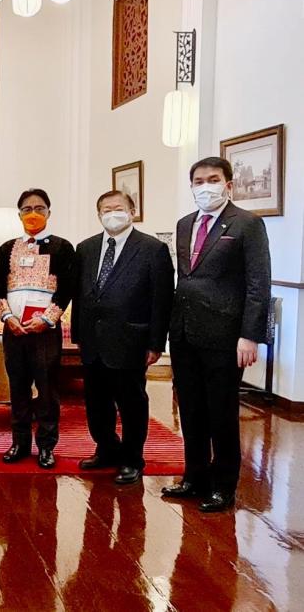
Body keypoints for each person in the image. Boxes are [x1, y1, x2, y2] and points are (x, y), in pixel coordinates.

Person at [162, 157, 271, 512]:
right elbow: (187, 277)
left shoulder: (247, 224)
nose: (205, 186)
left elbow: (258, 284)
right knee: (190, 410)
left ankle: (223, 486)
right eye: (198, 181)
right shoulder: (184, 224)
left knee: (221, 413)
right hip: (184, 333)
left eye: (213, 179)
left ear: (228, 185)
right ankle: (194, 477)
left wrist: (250, 335)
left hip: (225, 336)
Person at [71, 191, 174, 484]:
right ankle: (106, 449)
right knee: (96, 402)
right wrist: (78, 333)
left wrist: (156, 343)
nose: (112, 214)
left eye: (118, 208)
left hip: (130, 340)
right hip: (92, 340)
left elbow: (162, 299)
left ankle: (132, 459)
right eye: (106, 209)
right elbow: (80, 294)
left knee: (131, 404)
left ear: (132, 211)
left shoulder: (152, 249)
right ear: (99, 215)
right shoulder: (86, 248)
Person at [0, 188, 73, 469]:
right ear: (19, 215)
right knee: (18, 388)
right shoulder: (7, 248)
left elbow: (67, 288)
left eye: (39, 208)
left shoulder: (62, 247)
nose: (33, 214)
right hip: (14, 329)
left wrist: (46, 319)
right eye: (27, 209)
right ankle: (20, 443)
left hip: (45, 331)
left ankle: (47, 446)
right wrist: (7, 317)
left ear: (49, 212)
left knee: (47, 390)